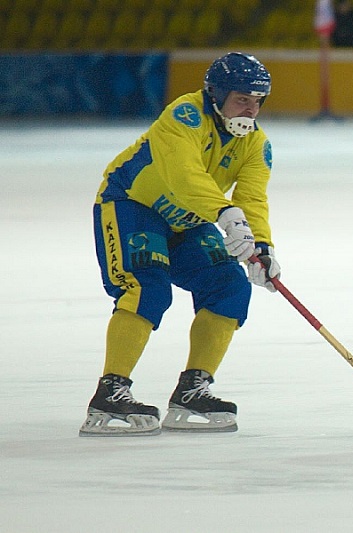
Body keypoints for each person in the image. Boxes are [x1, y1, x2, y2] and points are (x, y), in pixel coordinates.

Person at [79, 52, 282, 437]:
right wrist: (225, 213)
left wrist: (262, 247)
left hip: (189, 218)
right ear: (216, 94)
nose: (251, 110)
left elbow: (253, 198)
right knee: (146, 287)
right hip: (132, 203)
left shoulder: (256, 144)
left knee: (230, 287)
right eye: (242, 99)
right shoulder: (183, 115)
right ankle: (111, 390)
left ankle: (193, 388)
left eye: (258, 101)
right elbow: (183, 177)